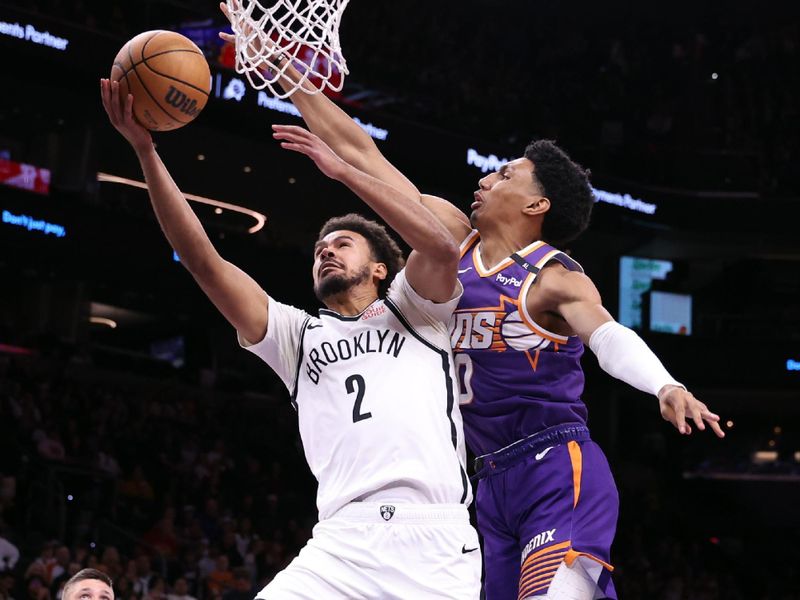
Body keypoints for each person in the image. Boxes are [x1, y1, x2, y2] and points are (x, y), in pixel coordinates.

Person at [235, 32, 727, 600]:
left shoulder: (554, 276)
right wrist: (285, 75)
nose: (486, 179)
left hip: (553, 463)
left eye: (505, 175)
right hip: (483, 485)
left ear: (536, 205)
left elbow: (608, 335)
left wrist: (664, 384)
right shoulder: (449, 238)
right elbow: (363, 153)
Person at [99, 78, 480, 599]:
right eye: (320, 247)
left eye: (342, 243)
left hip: (433, 540)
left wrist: (343, 171)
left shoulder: (417, 308)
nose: (325, 251)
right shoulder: (298, 337)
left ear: (379, 268)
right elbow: (204, 264)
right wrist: (146, 152)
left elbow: (439, 247)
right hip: (342, 544)